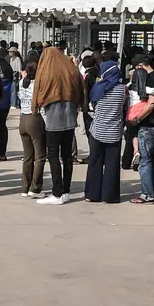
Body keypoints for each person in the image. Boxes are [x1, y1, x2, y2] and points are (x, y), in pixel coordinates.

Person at [32, 47, 85, 205]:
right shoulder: (71, 69)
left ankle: (57, 193)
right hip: (70, 118)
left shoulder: (47, 71)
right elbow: (82, 87)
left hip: (53, 118)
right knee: (67, 156)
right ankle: (66, 191)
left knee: (53, 155)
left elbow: (37, 90)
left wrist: (35, 107)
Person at [84, 58, 125, 204]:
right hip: (114, 132)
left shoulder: (98, 88)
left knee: (95, 162)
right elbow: (123, 108)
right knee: (112, 165)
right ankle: (110, 196)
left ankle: (92, 194)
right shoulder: (122, 89)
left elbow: (92, 106)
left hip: (97, 130)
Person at [128, 56, 154, 204]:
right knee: (150, 159)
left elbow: (151, 104)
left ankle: (147, 194)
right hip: (152, 125)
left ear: (140, 66)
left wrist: (137, 119)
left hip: (147, 125)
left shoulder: (150, 80)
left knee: (145, 160)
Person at [16, 61, 46, 198]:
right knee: (40, 156)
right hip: (35, 117)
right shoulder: (37, 84)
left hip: (23, 118)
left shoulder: (22, 82)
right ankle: (35, 188)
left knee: (27, 156)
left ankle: (25, 187)